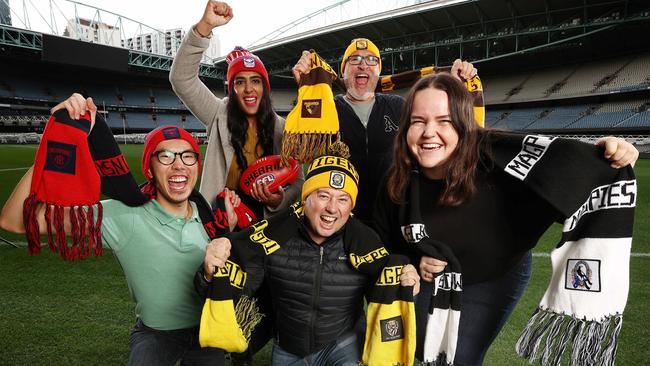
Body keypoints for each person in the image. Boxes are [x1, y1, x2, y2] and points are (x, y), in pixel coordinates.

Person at [372, 73, 639, 365]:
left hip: (494, 276)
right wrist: (411, 260)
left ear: (463, 126)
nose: (428, 132)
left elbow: (578, 172)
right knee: (417, 350)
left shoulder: (501, 167)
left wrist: (612, 155)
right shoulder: (395, 178)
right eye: (418, 121)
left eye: (444, 121)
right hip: (433, 278)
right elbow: (382, 239)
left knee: (461, 358)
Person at [0, 94, 241, 366]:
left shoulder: (207, 213)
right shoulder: (122, 214)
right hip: (155, 334)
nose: (178, 165)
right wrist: (53, 143)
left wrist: (228, 228)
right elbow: (15, 221)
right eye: (165, 156)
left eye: (187, 156)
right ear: (149, 168)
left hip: (207, 330)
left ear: (196, 166)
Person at [199, 154, 421, 366]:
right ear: (306, 198)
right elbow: (235, 287)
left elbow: (384, 290)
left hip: (343, 343)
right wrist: (209, 272)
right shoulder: (273, 237)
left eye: (343, 199)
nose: (332, 208)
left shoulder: (365, 242)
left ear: (351, 206)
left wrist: (407, 284)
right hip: (289, 347)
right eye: (323, 195)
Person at [292, 39, 477, 224]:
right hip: (339, 217)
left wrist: (455, 87)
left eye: (372, 59)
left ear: (378, 71)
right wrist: (306, 91)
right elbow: (304, 154)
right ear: (343, 70)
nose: (363, 64)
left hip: (394, 214)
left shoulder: (398, 106)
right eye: (354, 59)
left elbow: (439, 132)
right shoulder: (327, 109)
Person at [170, 0, 302, 222]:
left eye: (255, 81)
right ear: (232, 89)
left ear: (265, 87)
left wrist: (278, 200)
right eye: (240, 82)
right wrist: (204, 27)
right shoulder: (218, 113)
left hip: (266, 226)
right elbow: (181, 78)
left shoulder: (282, 127)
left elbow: (298, 179)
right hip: (221, 222)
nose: (249, 89)